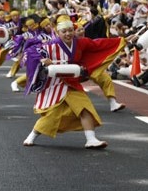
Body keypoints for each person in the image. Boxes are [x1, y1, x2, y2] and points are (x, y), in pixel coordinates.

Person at [22, 15, 125, 148]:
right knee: (54, 114)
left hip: (72, 83)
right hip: (55, 84)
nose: (68, 34)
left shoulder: (81, 42)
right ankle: (32, 135)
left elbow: (98, 44)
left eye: (70, 30)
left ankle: (91, 139)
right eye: (64, 31)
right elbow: (30, 54)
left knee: (85, 108)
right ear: (57, 32)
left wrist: (121, 41)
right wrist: (43, 61)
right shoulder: (50, 46)